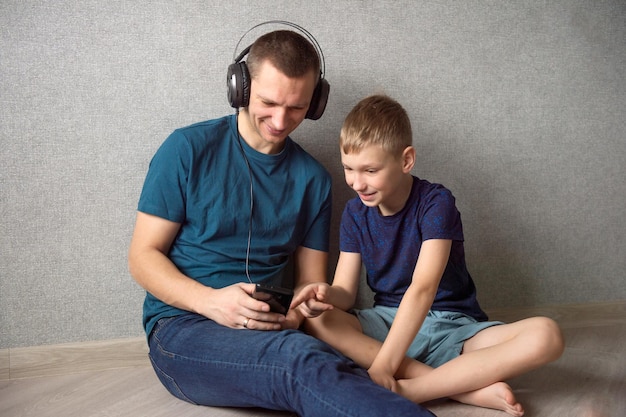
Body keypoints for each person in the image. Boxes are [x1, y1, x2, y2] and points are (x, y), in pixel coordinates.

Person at [128, 26, 435, 417]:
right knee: (298, 360)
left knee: (324, 358)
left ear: (316, 102)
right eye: (269, 102)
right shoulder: (186, 149)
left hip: (270, 326)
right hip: (183, 328)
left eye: (296, 107)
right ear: (240, 87)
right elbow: (142, 256)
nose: (280, 120)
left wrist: (297, 310)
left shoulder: (314, 180)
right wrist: (211, 302)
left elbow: (310, 281)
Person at [291, 94, 565, 416]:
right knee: (318, 320)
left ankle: (413, 388)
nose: (357, 182)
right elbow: (346, 294)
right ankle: (460, 388)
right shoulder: (354, 213)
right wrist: (325, 293)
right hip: (388, 323)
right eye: (349, 168)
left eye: (370, 170)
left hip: (454, 327)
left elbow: (423, 289)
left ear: (406, 161)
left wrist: (382, 368)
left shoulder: (436, 203)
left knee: (546, 335)